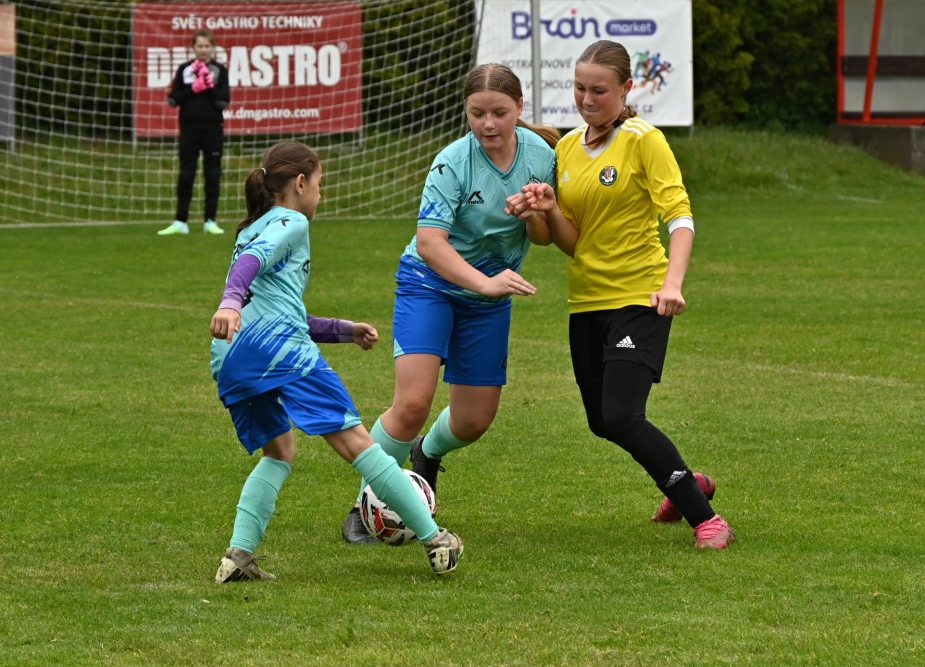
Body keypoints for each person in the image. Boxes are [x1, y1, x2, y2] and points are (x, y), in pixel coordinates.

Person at [505, 40, 736, 549]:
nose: (587, 99)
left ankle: (708, 520)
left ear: (627, 88)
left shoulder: (644, 140)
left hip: (640, 296)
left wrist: (672, 283)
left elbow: (679, 216)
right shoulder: (567, 148)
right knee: (601, 421)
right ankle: (687, 481)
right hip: (587, 301)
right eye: (579, 88)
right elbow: (572, 242)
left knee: (622, 414)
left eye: (599, 90)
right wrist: (544, 209)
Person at [209, 141, 464, 580]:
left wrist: (342, 330)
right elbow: (251, 266)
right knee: (357, 444)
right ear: (300, 183)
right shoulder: (290, 221)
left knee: (279, 452)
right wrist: (229, 301)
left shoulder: (251, 227)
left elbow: (276, 307)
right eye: (320, 184)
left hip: (231, 355)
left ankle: (238, 558)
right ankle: (435, 539)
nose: (320, 194)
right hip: (278, 349)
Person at [341, 64, 560, 543]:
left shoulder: (542, 156)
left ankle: (427, 453)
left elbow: (543, 237)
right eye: (477, 113)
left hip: (488, 298)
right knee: (413, 403)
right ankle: (366, 504)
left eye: (499, 113)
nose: (488, 124)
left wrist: (534, 213)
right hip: (429, 286)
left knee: (473, 421)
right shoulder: (452, 162)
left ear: (519, 108)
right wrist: (485, 284)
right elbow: (429, 243)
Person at [159, 29, 230, 236]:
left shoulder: (219, 70)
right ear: (193, 47)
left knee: (212, 174)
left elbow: (223, 101)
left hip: (212, 129)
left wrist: (209, 84)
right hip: (189, 129)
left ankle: (210, 221)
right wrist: (194, 88)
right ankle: (181, 221)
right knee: (186, 173)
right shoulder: (185, 69)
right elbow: (173, 99)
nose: (203, 50)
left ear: (212, 48)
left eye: (207, 46)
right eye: (200, 46)